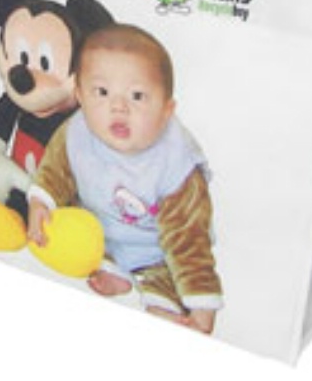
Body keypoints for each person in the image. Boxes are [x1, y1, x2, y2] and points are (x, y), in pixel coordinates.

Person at [27, 23, 223, 334]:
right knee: (67, 238)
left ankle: (161, 295)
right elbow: (56, 170)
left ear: (166, 110)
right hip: (102, 231)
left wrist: (202, 305)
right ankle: (113, 267)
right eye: (102, 92)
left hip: (160, 249)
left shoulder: (175, 165)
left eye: (137, 96)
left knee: (164, 302)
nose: (118, 107)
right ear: (79, 95)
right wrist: (40, 202)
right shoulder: (78, 133)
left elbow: (188, 238)